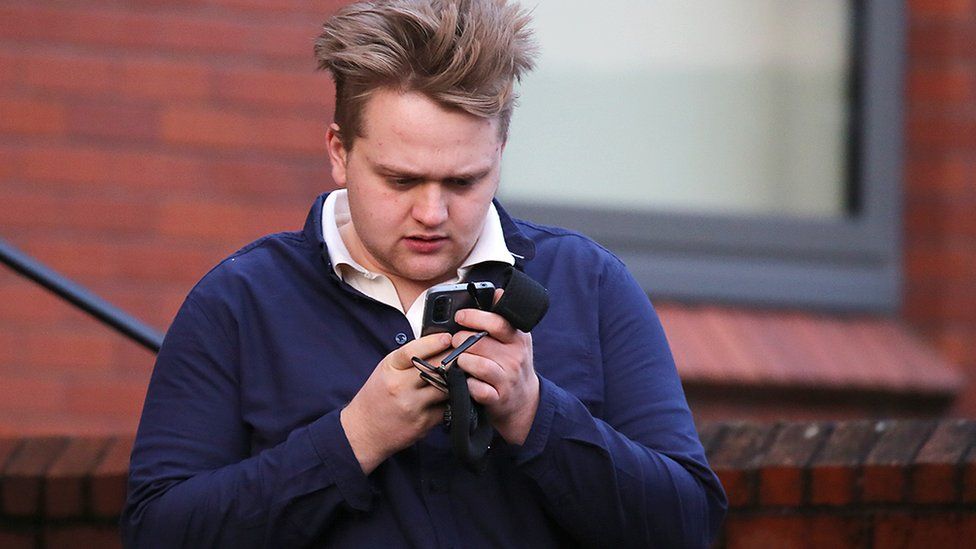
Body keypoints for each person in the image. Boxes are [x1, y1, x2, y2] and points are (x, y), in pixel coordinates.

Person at [122, 0, 727, 547]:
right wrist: (353, 438)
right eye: (401, 180)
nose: (432, 214)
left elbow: (690, 527)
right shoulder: (240, 301)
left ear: (500, 149)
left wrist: (535, 414)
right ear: (339, 152)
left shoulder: (588, 284)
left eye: (463, 182)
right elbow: (157, 534)